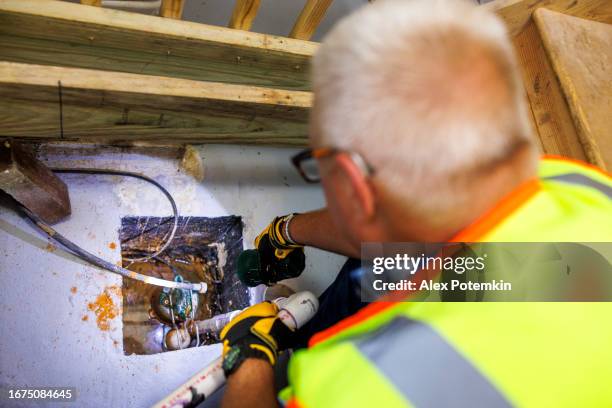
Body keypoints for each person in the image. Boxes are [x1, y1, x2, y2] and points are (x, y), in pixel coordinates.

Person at [219, 0, 612, 407]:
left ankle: (300, 345)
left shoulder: (363, 387)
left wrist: (249, 358)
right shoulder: (576, 188)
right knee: (378, 268)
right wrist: (286, 230)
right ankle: (306, 329)